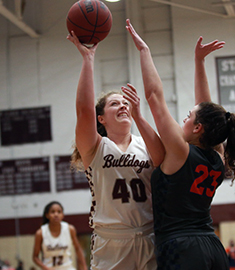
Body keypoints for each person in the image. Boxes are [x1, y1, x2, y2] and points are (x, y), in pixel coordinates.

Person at [126, 18, 235, 270]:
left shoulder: (180, 151)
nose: (184, 118)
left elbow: (154, 97)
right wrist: (199, 62)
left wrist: (144, 51)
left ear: (198, 128)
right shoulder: (217, 155)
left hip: (182, 248)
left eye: (188, 116)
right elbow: (209, 111)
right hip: (212, 246)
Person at [67, 25, 165, 270]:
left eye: (125, 102)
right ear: (101, 118)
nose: (123, 106)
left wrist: (141, 114)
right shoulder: (95, 148)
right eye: (114, 104)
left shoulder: (146, 143)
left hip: (149, 235)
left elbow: (164, 158)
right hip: (111, 242)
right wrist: (88, 59)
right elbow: (83, 110)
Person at [32, 201, 87, 270]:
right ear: (47, 215)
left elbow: (78, 249)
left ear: (63, 215)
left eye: (59, 212)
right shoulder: (40, 233)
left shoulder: (70, 229)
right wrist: (44, 267)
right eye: (52, 212)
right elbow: (35, 257)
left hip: (67, 268)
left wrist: (84, 267)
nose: (56, 214)